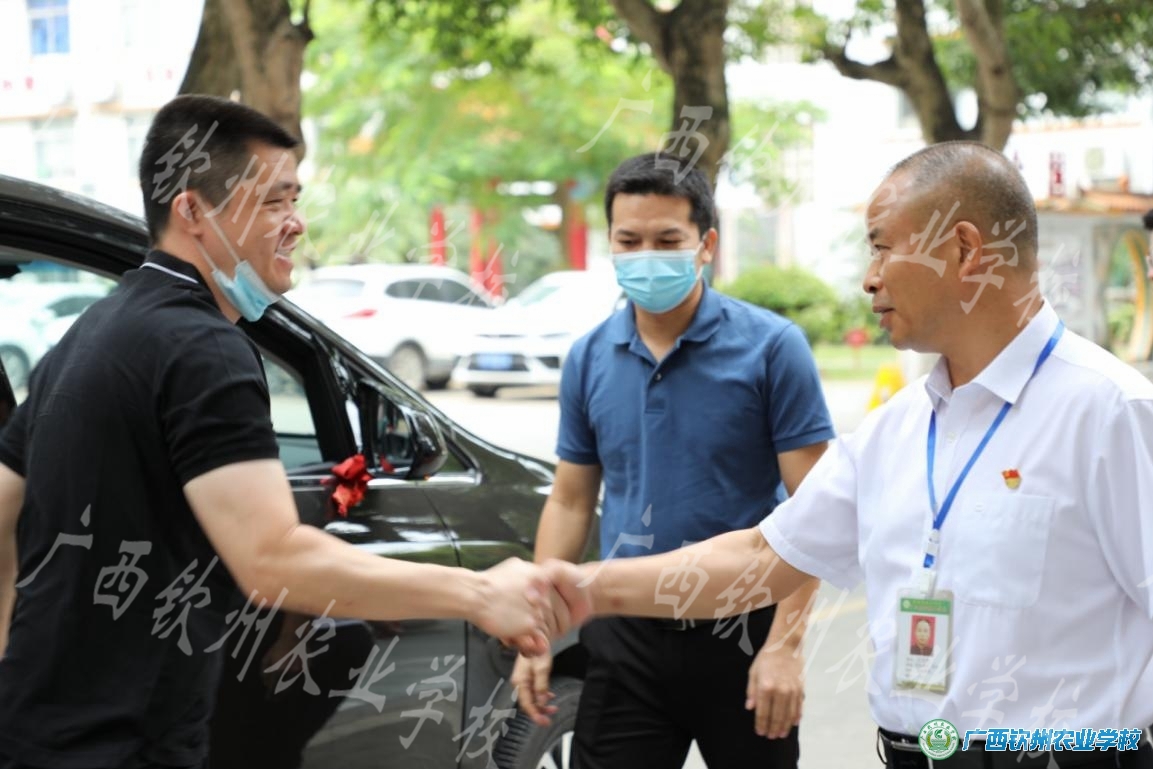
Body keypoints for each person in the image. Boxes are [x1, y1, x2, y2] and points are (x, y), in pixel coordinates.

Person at [545, 142, 1153, 768]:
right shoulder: (895, 429)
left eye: (883, 247)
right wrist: (574, 588)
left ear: (964, 249)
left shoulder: (1112, 414)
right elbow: (761, 557)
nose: (869, 278)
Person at [0, 95, 561, 769]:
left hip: (32, 732)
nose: (295, 224)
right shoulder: (202, 348)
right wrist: (479, 593)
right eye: (272, 202)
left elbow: (3, 513)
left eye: (295, 200)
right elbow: (271, 560)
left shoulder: (89, 332)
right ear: (193, 211)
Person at [510, 151, 832, 769]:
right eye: (629, 241)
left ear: (706, 244)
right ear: (609, 243)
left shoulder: (772, 349)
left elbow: (815, 511)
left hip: (741, 631)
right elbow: (571, 500)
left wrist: (785, 645)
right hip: (624, 631)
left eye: (667, 240)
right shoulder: (589, 357)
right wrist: (539, 628)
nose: (646, 256)